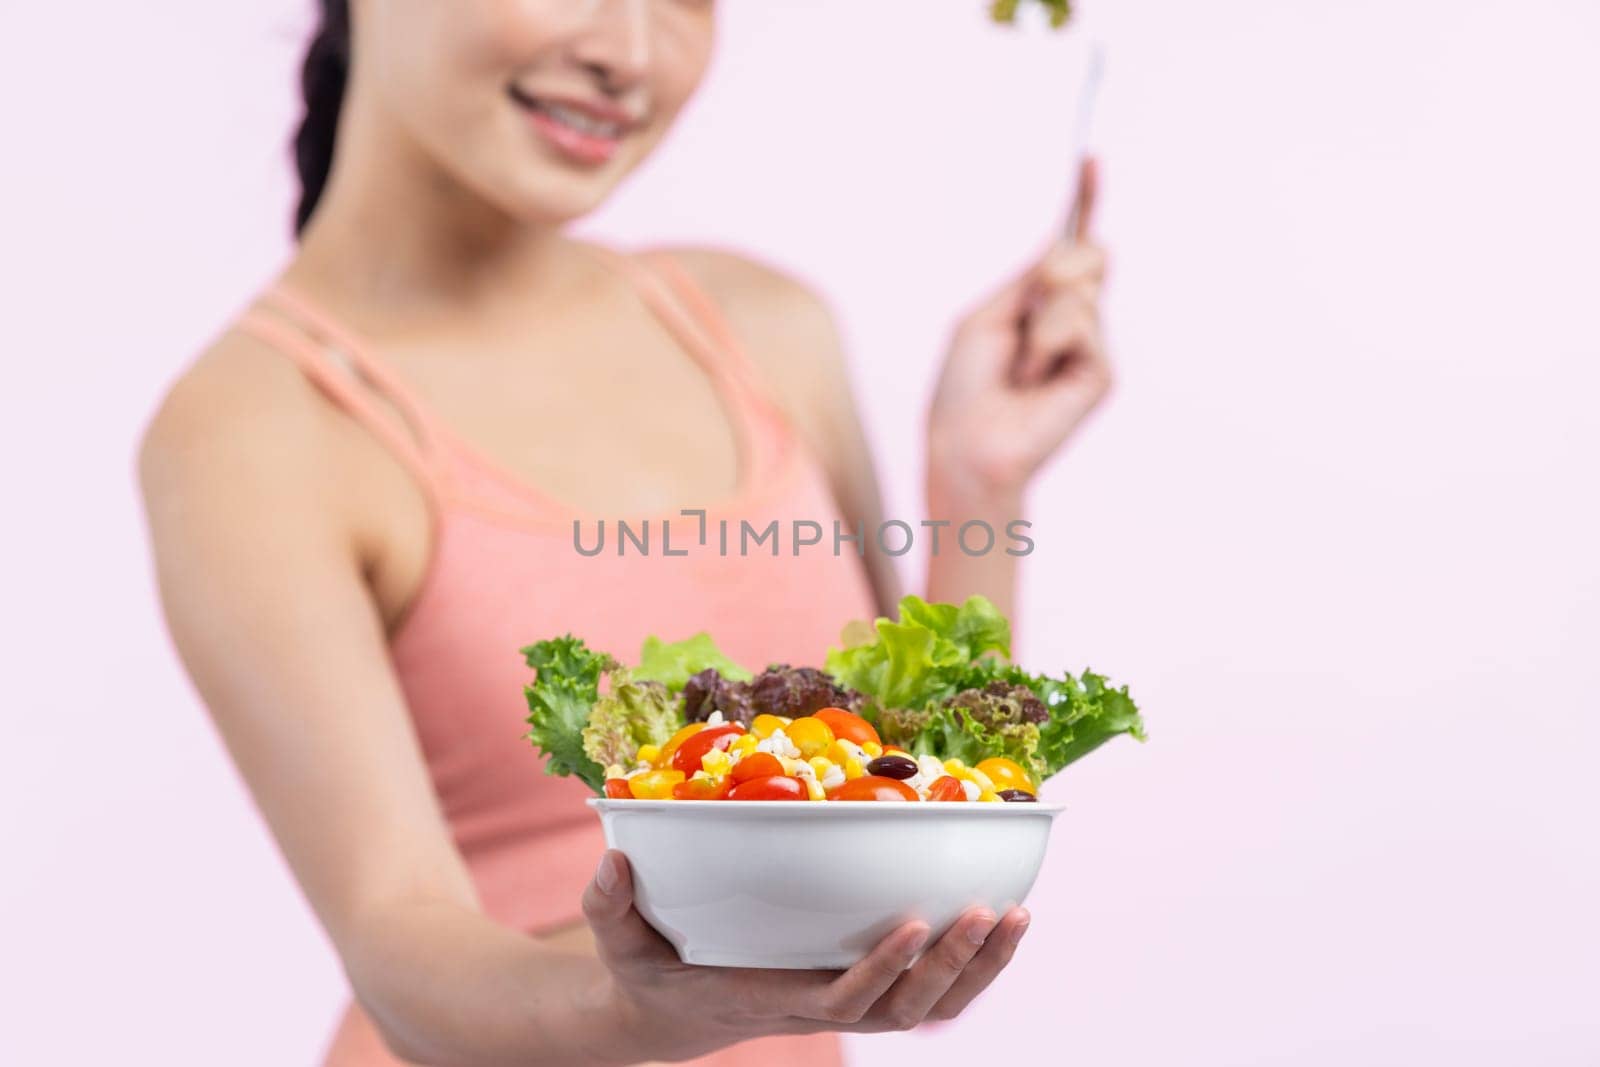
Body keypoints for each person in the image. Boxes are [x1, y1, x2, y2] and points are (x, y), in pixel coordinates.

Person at [138, 1, 1112, 1064]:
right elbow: (400, 956)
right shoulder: (255, 424)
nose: (630, 54)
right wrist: (643, 1011)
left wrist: (976, 481)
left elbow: (915, 790)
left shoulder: (755, 325)